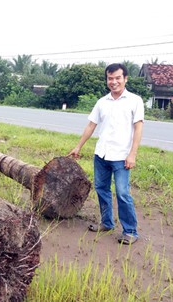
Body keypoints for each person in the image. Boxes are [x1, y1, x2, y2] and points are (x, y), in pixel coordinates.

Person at [68, 63, 144, 245]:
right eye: (110, 78)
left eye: (118, 78)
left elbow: (138, 127)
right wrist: (78, 147)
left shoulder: (135, 101)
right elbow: (91, 125)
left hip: (121, 157)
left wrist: (132, 154)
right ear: (107, 80)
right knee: (101, 189)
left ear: (125, 78)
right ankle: (106, 222)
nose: (114, 82)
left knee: (122, 193)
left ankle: (130, 231)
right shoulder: (102, 102)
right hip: (101, 154)